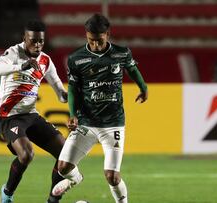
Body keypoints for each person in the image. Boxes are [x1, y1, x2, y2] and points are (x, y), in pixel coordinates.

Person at [51, 13, 148, 203]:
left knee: (112, 176)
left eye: (99, 40)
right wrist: (72, 114)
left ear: (108, 35)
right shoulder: (77, 58)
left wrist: (143, 88)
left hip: (113, 124)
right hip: (87, 122)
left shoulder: (121, 53)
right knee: (63, 167)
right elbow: (72, 89)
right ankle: (75, 180)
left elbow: (133, 69)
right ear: (86, 36)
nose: (95, 44)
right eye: (91, 40)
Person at [0, 20, 68, 203]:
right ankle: (7, 194)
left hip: (31, 115)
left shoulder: (45, 60)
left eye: (41, 41)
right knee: (26, 154)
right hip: (9, 116)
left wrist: (69, 96)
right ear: (24, 38)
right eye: (33, 40)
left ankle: (53, 200)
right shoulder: (13, 53)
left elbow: (59, 91)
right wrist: (20, 66)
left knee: (66, 154)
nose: (38, 45)